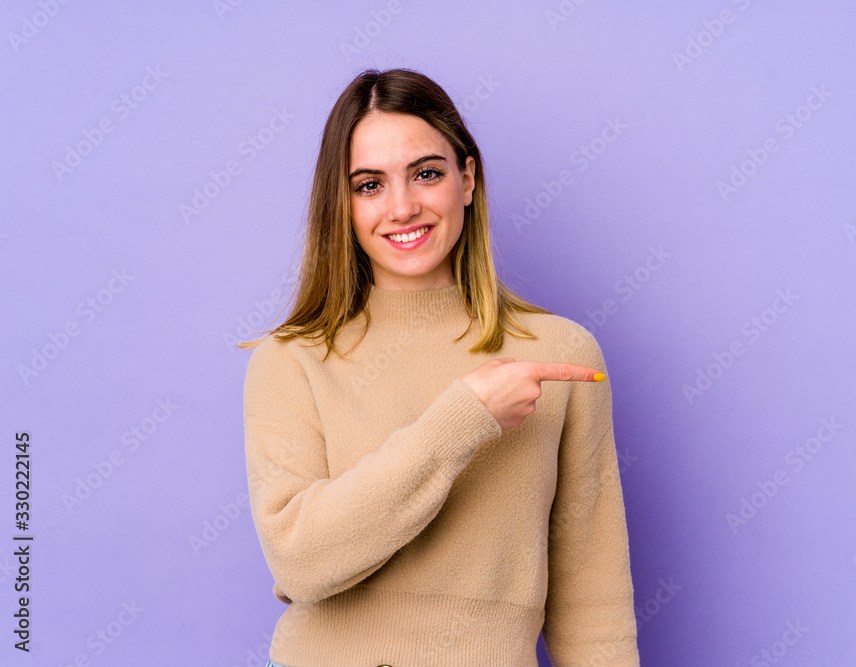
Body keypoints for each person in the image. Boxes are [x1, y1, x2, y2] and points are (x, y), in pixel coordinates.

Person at [242, 67, 639, 666]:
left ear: (467, 179)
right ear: (341, 204)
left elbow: (592, 593)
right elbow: (300, 563)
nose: (402, 207)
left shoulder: (560, 354)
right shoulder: (292, 359)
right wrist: (463, 418)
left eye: (426, 174)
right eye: (369, 185)